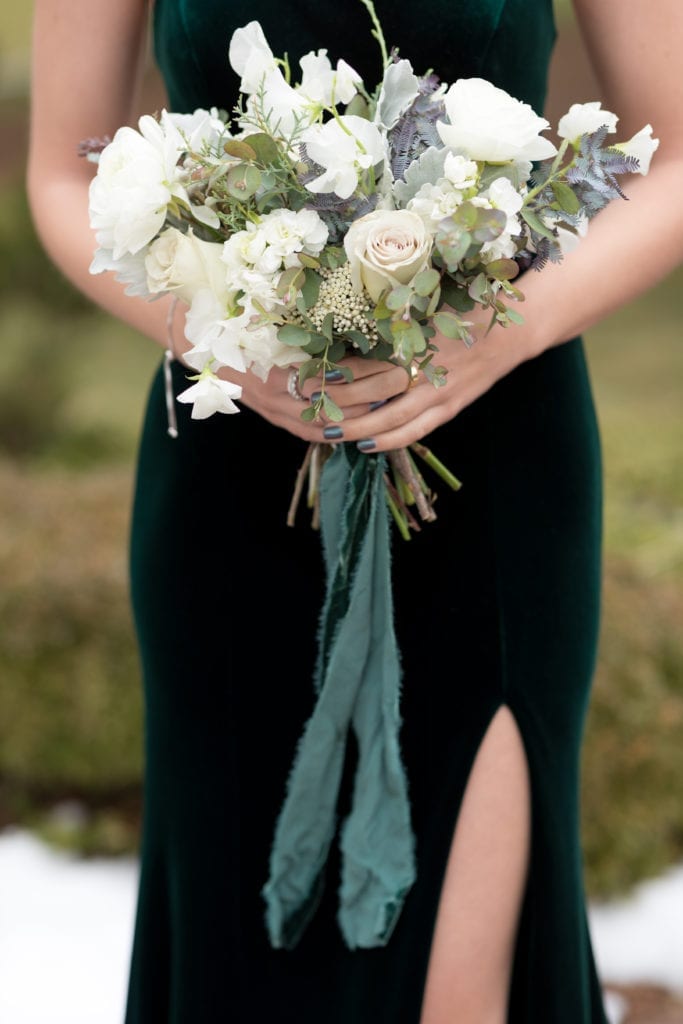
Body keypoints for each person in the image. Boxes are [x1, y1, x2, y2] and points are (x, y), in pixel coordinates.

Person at [28, 1, 683, 1021]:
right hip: (234, 465)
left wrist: (504, 330)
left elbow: (674, 153)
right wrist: (222, 334)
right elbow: (60, 174)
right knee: (240, 969)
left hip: (497, 457)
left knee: (462, 979)